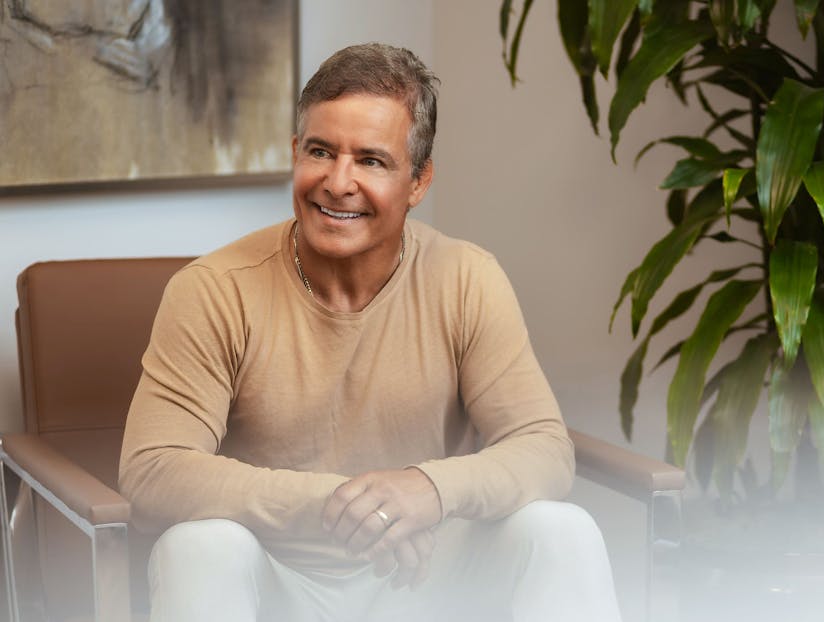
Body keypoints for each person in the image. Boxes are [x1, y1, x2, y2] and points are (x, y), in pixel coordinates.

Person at [119, 43, 621, 622]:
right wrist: (343, 506)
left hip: (429, 576)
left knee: (563, 530)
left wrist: (427, 490)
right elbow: (154, 467)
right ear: (294, 154)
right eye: (320, 151)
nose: (337, 182)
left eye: (372, 161)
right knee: (197, 547)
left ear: (419, 181)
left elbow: (544, 449)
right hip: (281, 580)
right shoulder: (214, 289)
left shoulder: (467, 278)